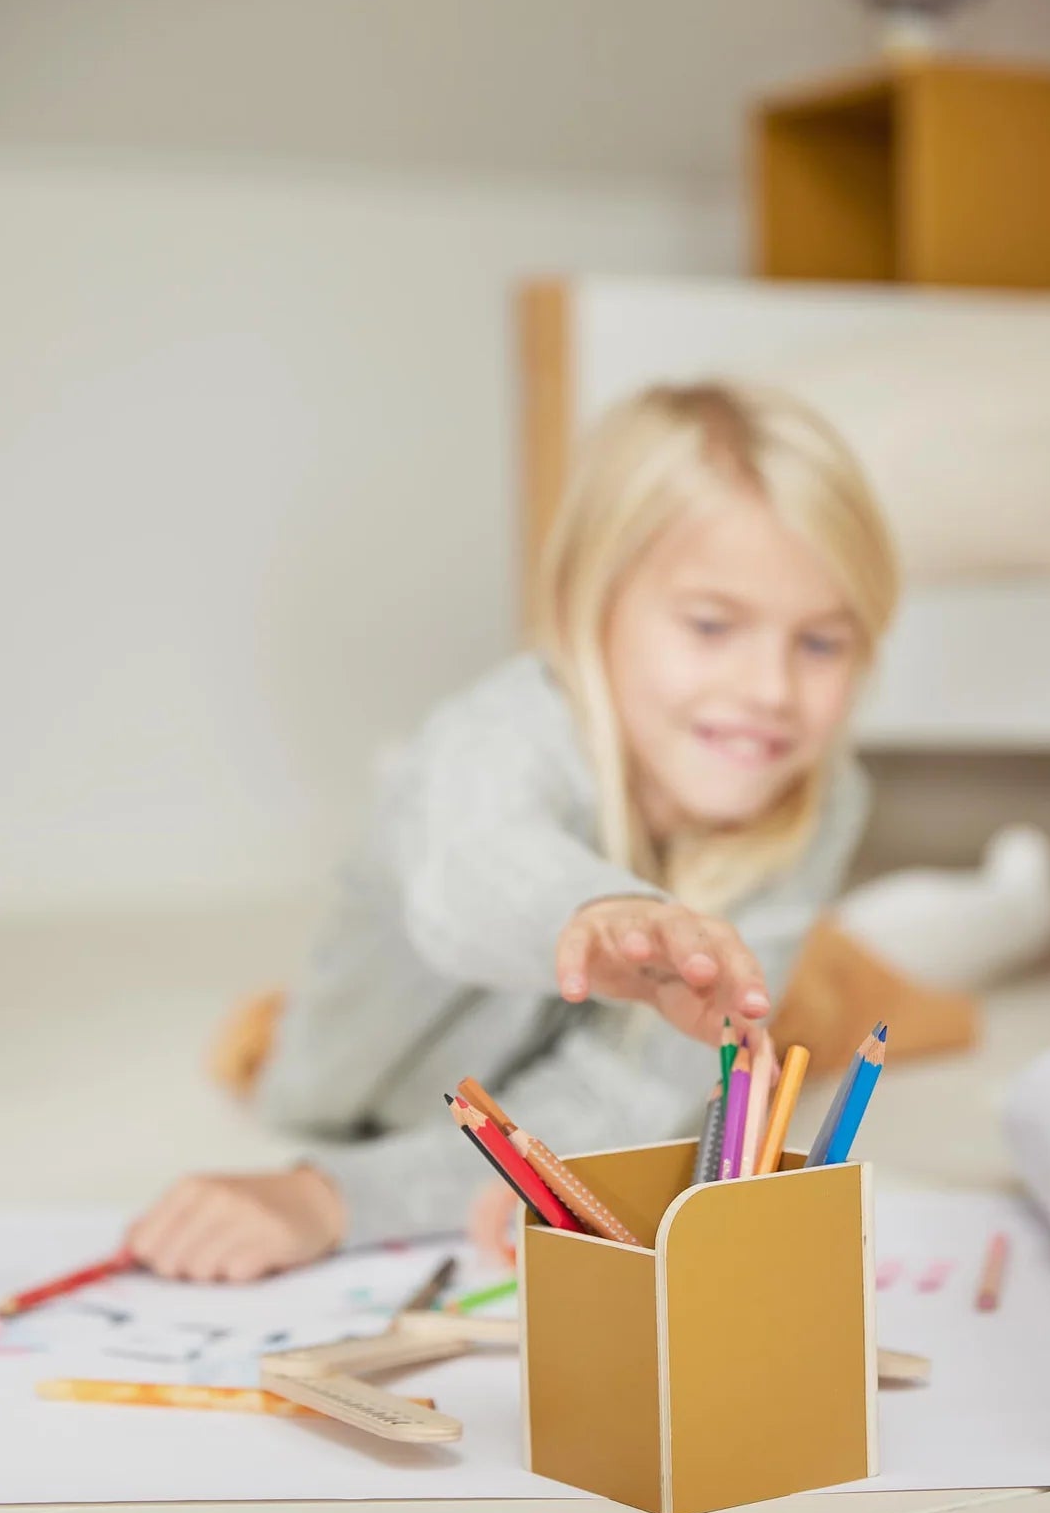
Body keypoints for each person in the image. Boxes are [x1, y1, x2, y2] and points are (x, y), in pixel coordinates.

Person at [127, 382, 899, 1281]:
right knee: (824, 997)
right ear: (587, 599)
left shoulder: (819, 795)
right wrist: (607, 917)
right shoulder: (492, 738)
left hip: (611, 1026)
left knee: (815, 1014)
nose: (769, 689)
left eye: (820, 644)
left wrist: (340, 1203)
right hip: (351, 1076)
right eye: (711, 624)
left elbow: (632, 1105)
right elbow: (469, 887)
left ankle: (930, 930)